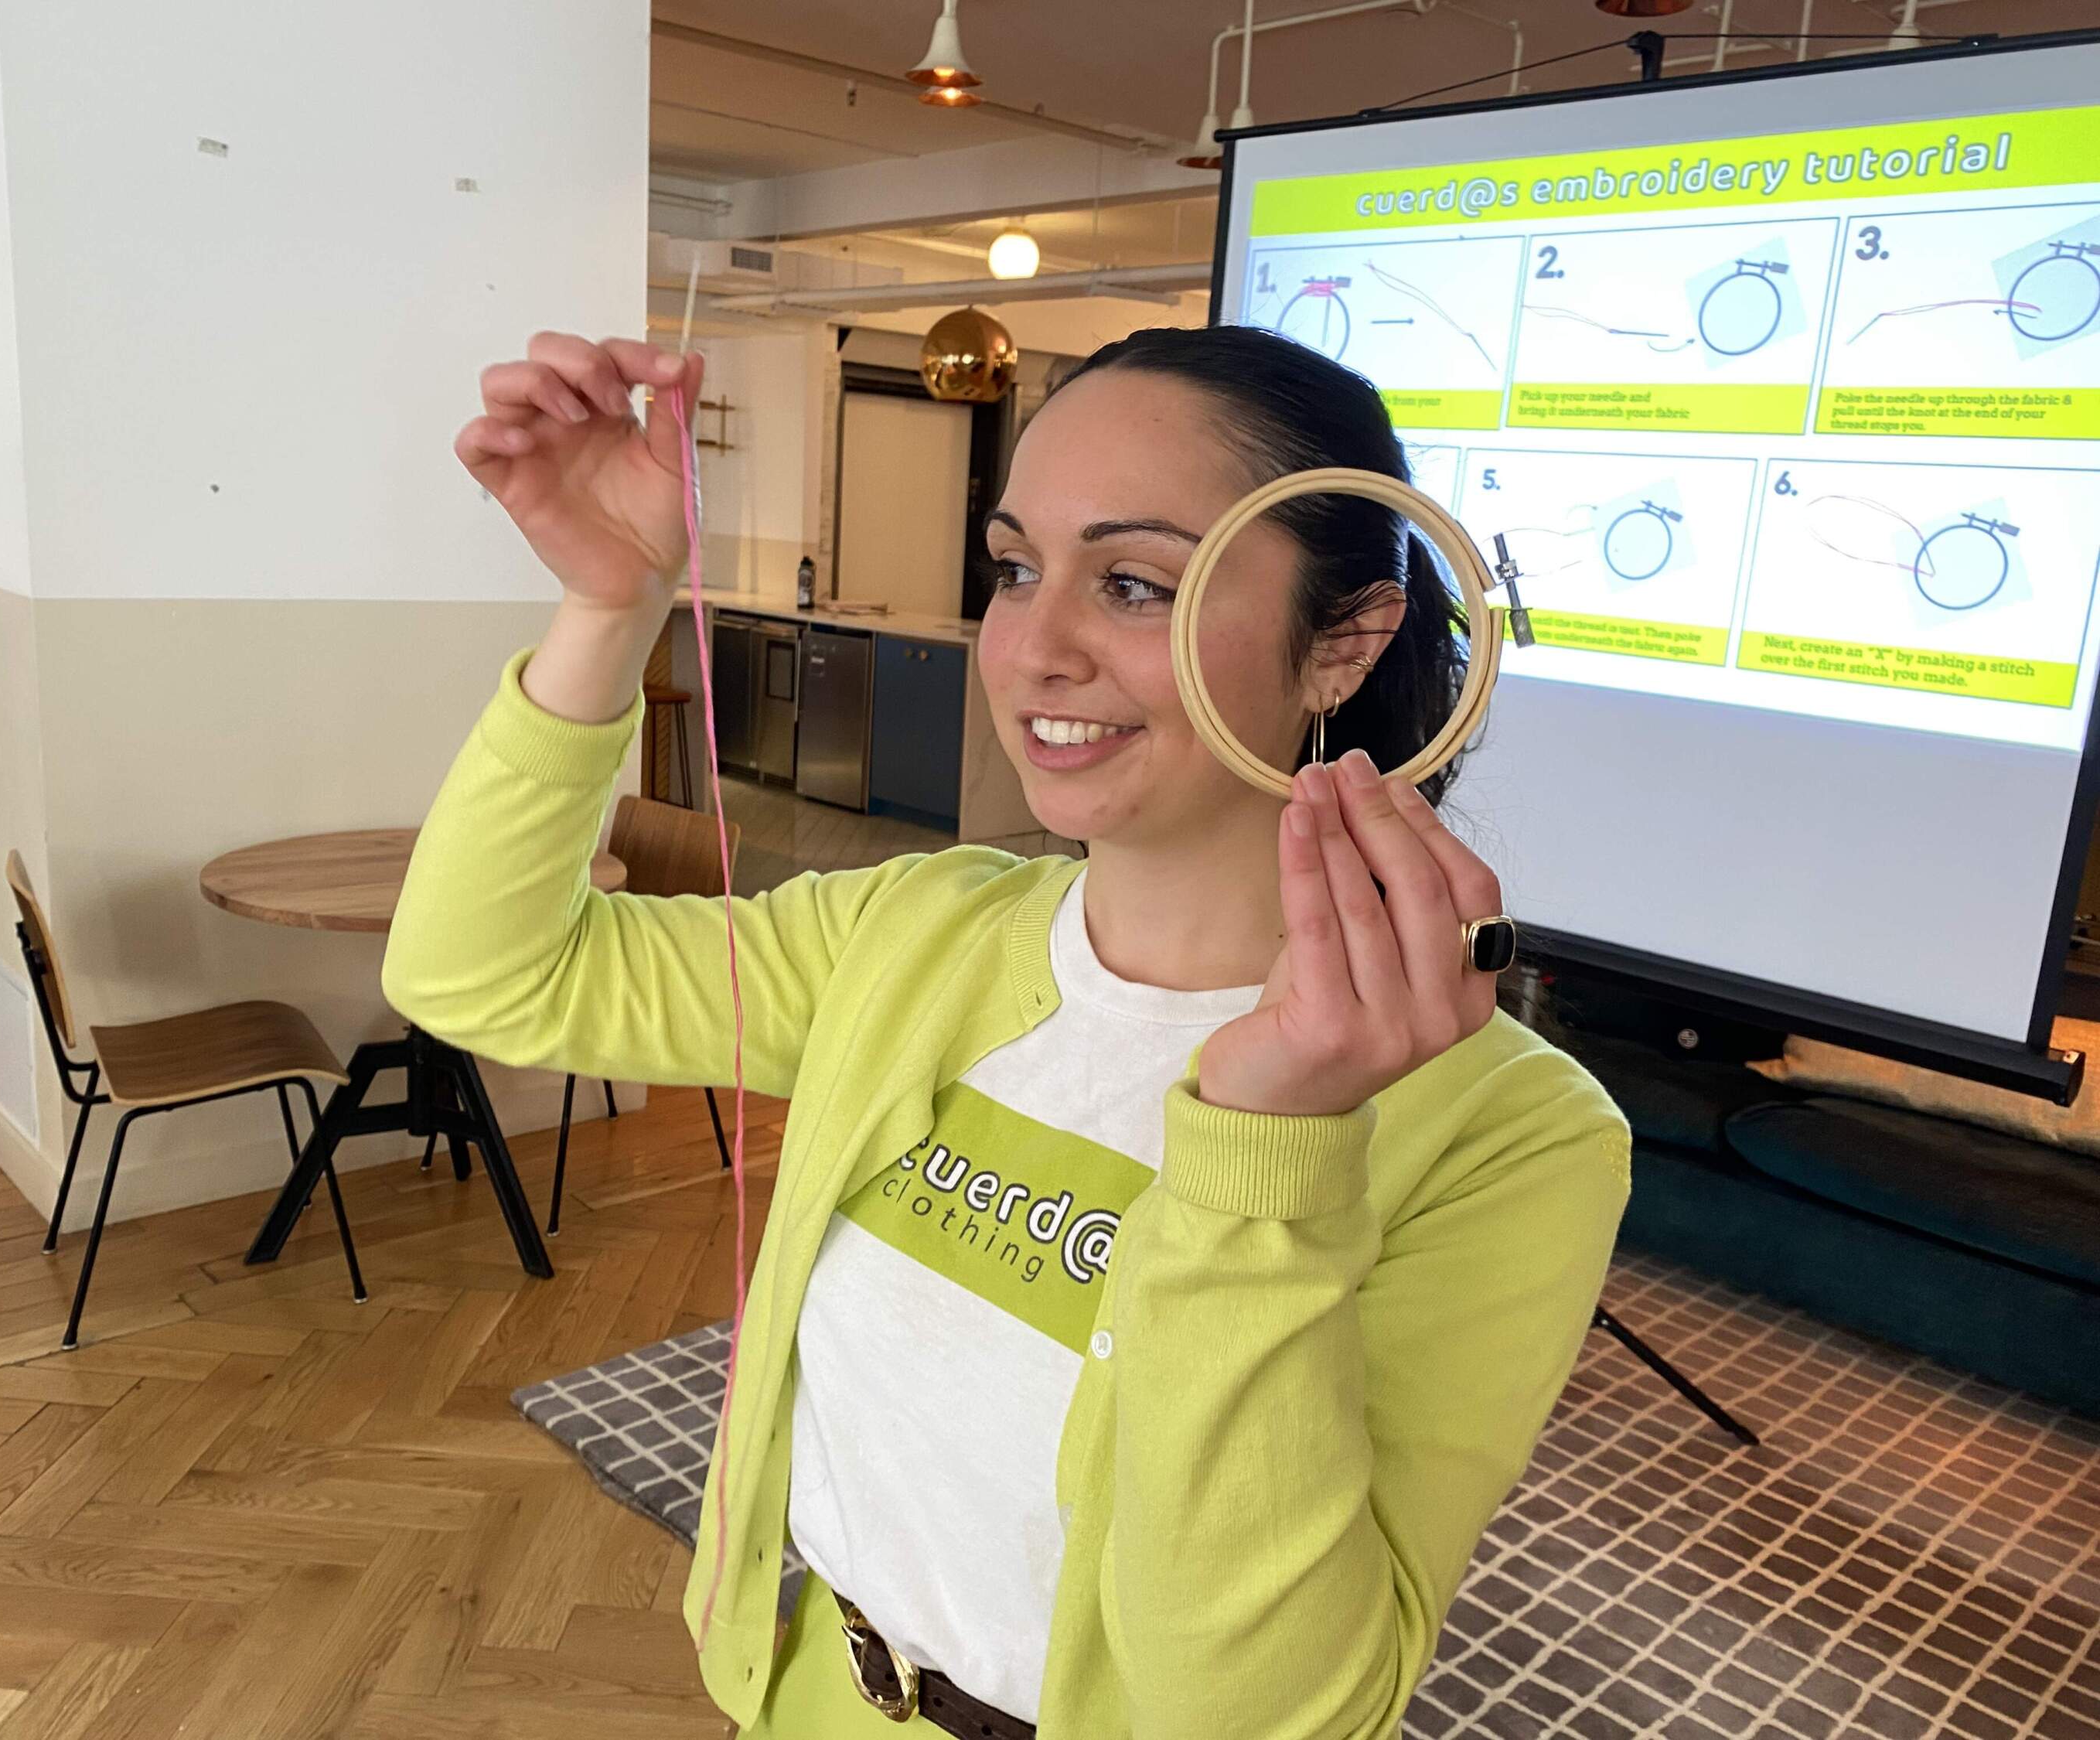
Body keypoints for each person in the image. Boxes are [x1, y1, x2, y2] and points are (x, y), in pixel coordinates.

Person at [384, 322, 1630, 1739]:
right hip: (800, 1693)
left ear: (1344, 640)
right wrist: (611, 604)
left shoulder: (1511, 1136)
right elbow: (485, 972)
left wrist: (1270, 1154)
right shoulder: (918, 931)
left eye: (1134, 583)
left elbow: (1255, 1710)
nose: (1035, 648)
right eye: (1017, 566)